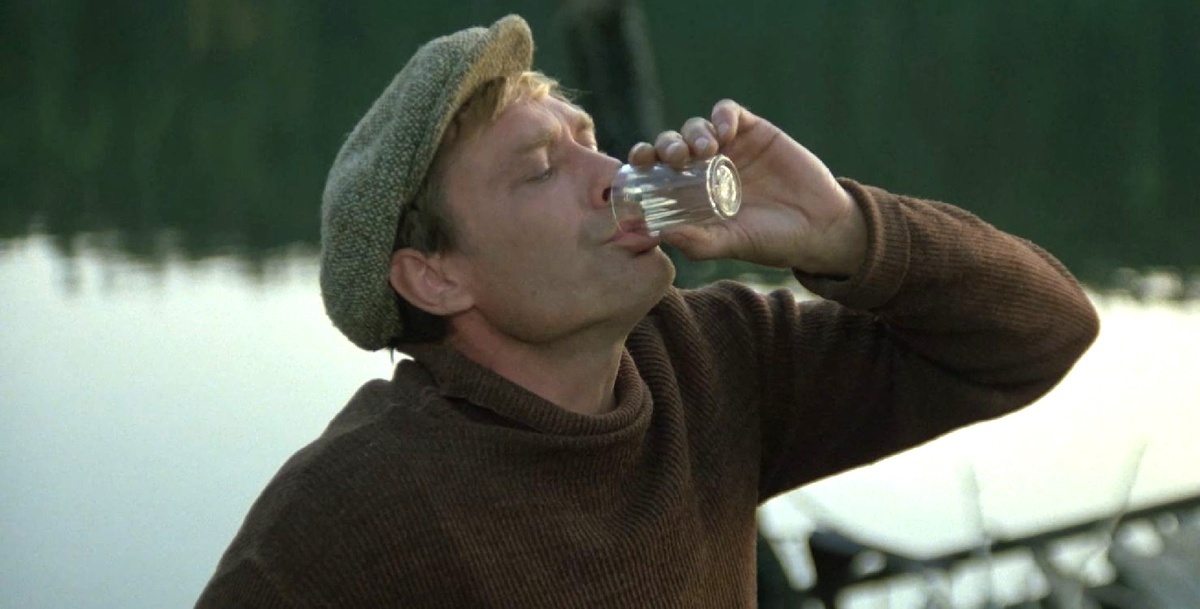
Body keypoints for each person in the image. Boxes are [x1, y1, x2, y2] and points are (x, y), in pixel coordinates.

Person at [195, 15, 1099, 608]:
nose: (613, 175)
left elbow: (1042, 334)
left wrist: (846, 231)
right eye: (541, 169)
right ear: (435, 279)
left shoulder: (712, 360)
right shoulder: (350, 514)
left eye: (589, 141)